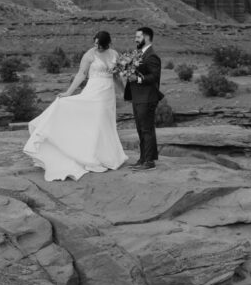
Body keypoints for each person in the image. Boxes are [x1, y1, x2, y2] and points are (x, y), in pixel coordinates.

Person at [24, 30, 127, 182]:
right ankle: (89, 156)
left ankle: (106, 155)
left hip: (107, 94)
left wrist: (125, 92)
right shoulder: (89, 55)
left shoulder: (114, 54)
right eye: (95, 43)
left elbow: (116, 76)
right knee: (94, 123)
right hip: (94, 91)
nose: (96, 46)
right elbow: (81, 74)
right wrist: (68, 92)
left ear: (107, 44)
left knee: (105, 123)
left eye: (99, 44)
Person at [123, 26, 163, 170]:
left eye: (138, 37)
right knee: (141, 129)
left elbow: (154, 77)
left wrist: (137, 79)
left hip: (147, 97)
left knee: (147, 129)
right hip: (138, 97)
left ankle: (149, 162)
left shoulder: (152, 56)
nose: (135, 39)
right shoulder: (138, 54)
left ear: (146, 38)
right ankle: (143, 158)